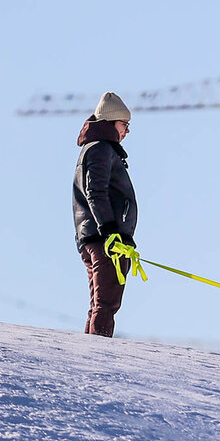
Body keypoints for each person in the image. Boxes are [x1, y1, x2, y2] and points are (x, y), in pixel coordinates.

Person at [72, 92, 137, 337]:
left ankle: (92, 349)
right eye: (125, 125)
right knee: (106, 304)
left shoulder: (100, 149)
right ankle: (98, 355)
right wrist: (111, 232)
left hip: (98, 237)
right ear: (111, 123)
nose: (127, 131)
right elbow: (95, 191)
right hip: (106, 239)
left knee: (100, 303)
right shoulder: (100, 149)